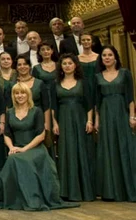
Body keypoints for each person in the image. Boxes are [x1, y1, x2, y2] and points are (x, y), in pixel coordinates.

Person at [0, 83, 76, 211]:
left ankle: (32, 199)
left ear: (28, 94)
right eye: (17, 93)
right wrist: (11, 147)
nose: (20, 96)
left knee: (20, 159)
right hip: (17, 147)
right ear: (13, 95)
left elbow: (41, 136)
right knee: (13, 158)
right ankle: (15, 199)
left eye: (22, 93)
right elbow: (6, 134)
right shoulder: (10, 113)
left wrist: (24, 149)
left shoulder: (36, 111)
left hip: (35, 149)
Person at [94, 45, 136, 201]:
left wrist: (132, 117)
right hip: (105, 115)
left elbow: (130, 97)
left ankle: (129, 189)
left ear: (115, 57)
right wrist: (97, 121)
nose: (107, 57)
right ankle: (113, 191)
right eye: (104, 55)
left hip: (122, 114)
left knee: (125, 148)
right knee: (109, 149)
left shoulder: (125, 73)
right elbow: (97, 102)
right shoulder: (98, 76)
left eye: (110, 55)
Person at [54, 54, 95, 202]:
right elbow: (54, 106)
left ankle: (85, 190)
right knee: (67, 152)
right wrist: (55, 123)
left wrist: (90, 121)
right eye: (64, 63)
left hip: (80, 119)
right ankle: (68, 191)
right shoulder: (56, 83)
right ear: (61, 67)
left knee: (82, 151)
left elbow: (89, 103)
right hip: (64, 120)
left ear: (75, 65)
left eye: (70, 63)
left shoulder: (83, 82)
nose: (67, 66)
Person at [77, 33, 100, 101]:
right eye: (83, 40)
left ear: (92, 41)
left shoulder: (98, 57)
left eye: (88, 40)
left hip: (96, 85)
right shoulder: (76, 58)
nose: (86, 42)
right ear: (80, 42)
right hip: (82, 87)